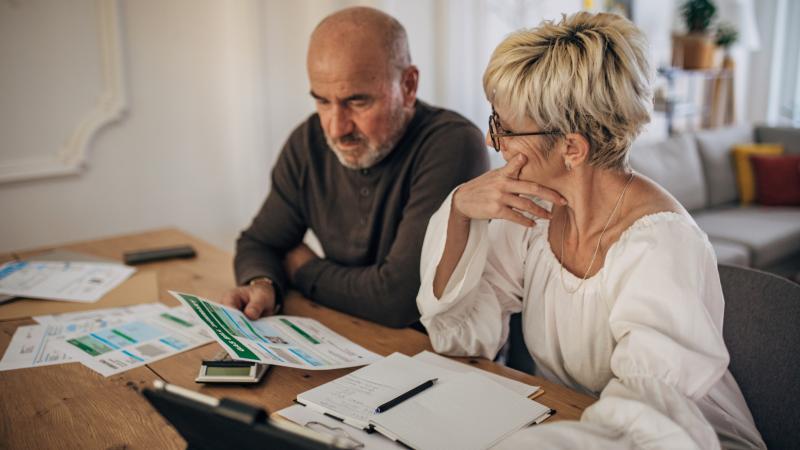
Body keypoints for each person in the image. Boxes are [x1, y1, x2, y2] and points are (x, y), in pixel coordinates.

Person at [416, 12, 765, 449]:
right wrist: (461, 210)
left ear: (572, 148)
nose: (492, 142)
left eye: (504, 128)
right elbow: (460, 334)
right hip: (571, 423)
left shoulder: (661, 245)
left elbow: (645, 418)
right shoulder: (536, 212)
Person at [223, 7, 489, 328]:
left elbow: (400, 299)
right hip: (350, 337)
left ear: (408, 86)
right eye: (322, 101)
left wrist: (302, 269)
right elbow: (260, 242)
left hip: (441, 356)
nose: (336, 129)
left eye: (357, 102)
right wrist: (263, 283)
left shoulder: (453, 145)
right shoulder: (308, 140)